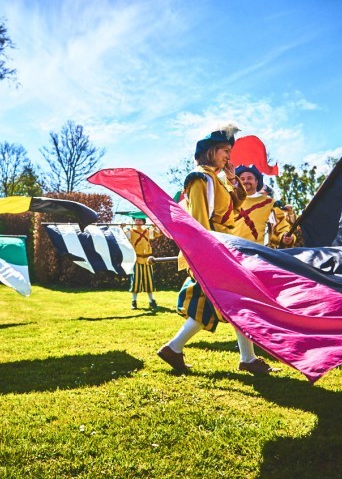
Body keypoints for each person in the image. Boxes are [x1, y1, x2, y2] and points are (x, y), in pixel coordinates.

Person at [157, 125, 279, 375]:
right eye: (225, 151)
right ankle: (176, 348)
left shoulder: (217, 179)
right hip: (210, 250)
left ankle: (244, 358)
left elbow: (236, 206)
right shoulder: (199, 178)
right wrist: (207, 255)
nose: (228, 156)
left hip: (221, 246)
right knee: (228, 302)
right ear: (211, 151)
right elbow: (199, 222)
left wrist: (233, 179)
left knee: (236, 301)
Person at [231, 165, 296, 249]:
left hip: (261, 254)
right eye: (242, 179)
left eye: (249, 178)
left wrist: (286, 236)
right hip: (233, 251)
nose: (245, 181)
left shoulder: (270, 203)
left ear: (256, 181)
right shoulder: (231, 201)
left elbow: (282, 227)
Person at [123, 215, 161, 310]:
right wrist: (122, 227)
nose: (138, 221)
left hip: (147, 260)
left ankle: (152, 301)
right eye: (136, 220)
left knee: (149, 281)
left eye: (139, 220)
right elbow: (122, 236)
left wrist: (155, 226)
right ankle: (134, 301)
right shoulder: (130, 232)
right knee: (136, 281)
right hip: (136, 259)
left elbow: (158, 233)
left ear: (143, 221)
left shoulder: (147, 231)